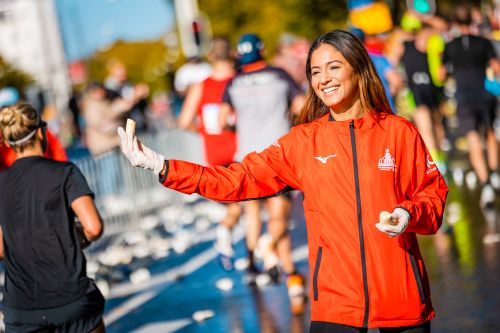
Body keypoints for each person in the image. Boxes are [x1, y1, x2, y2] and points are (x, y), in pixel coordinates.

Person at [118, 29, 448, 332]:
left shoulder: (398, 131)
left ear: (358, 68)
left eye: (334, 67)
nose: (324, 79)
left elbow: (431, 196)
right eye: (316, 72)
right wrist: (164, 167)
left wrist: (408, 214)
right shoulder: (304, 142)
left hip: (401, 296)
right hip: (337, 303)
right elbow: (238, 179)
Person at [219, 33, 306, 314]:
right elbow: (301, 107)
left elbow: (221, 121)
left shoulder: (233, 82)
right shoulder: (279, 75)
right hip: (279, 156)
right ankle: (288, 271)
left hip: (246, 158)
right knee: (280, 216)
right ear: (262, 49)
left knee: (252, 215)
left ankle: (257, 260)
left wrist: (241, 128)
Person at [0, 103, 106, 333]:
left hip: (21, 309)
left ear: (8, 143)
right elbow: (94, 227)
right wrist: (76, 236)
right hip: (70, 298)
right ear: (40, 132)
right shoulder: (65, 173)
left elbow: (0, 248)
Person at [177, 36, 241, 271]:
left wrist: (204, 130)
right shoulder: (239, 81)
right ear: (233, 54)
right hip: (241, 151)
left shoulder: (201, 85)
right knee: (249, 205)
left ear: (211, 56)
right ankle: (258, 254)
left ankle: (226, 233)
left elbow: (183, 121)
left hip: (215, 155)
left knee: (236, 204)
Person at [440, 5, 500, 207]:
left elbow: (440, 75)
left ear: (455, 23)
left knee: (473, 138)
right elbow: (496, 68)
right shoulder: (484, 42)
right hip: (484, 94)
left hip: (463, 97)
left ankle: (485, 185)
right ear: (472, 21)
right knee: (490, 133)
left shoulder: (449, 46)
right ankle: (493, 173)